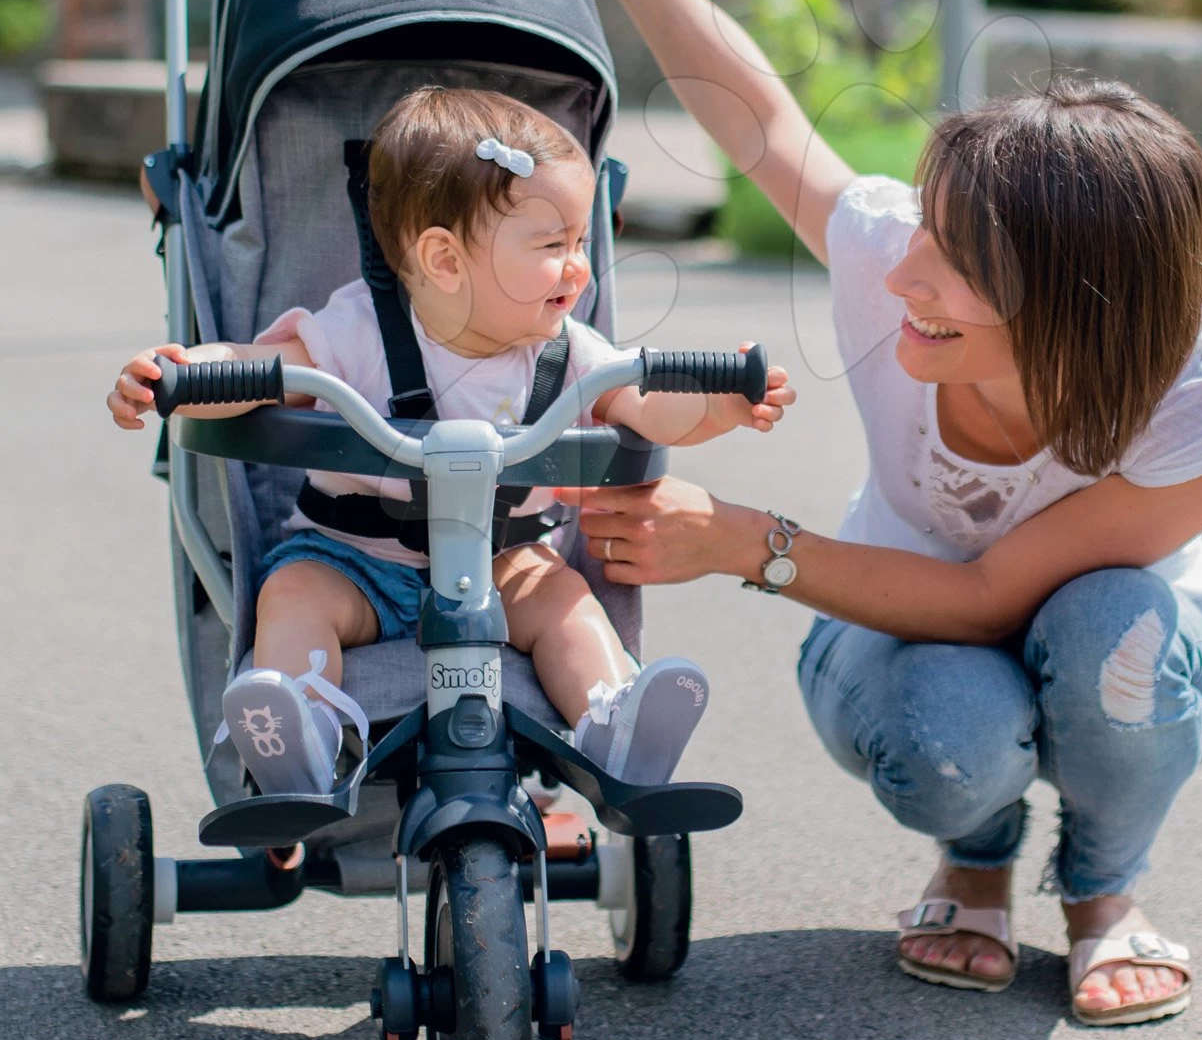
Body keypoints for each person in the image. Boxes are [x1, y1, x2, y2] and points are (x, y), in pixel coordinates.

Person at [534, 0, 1202, 1028]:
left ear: (1079, 301)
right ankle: (973, 859)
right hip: (899, 643)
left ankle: (1105, 894)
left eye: (954, 265)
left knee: (1114, 629)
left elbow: (997, 592)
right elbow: (758, 117)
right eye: (920, 232)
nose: (899, 280)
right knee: (948, 731)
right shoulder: (897, 255)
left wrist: (740, 540)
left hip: (1129, 656)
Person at [109, 86, 794, 798]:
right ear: (443, 260)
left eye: (582, 242)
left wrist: (717, 407)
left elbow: (649, 408)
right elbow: (265, 369)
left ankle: (612, 720)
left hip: (503, 561)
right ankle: (297, 730)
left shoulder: (569, 353)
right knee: (292, 594)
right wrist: (186, 373)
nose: (578, 267)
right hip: (353, 561)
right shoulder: (354, 335)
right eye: (552, 245)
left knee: (562, 600)